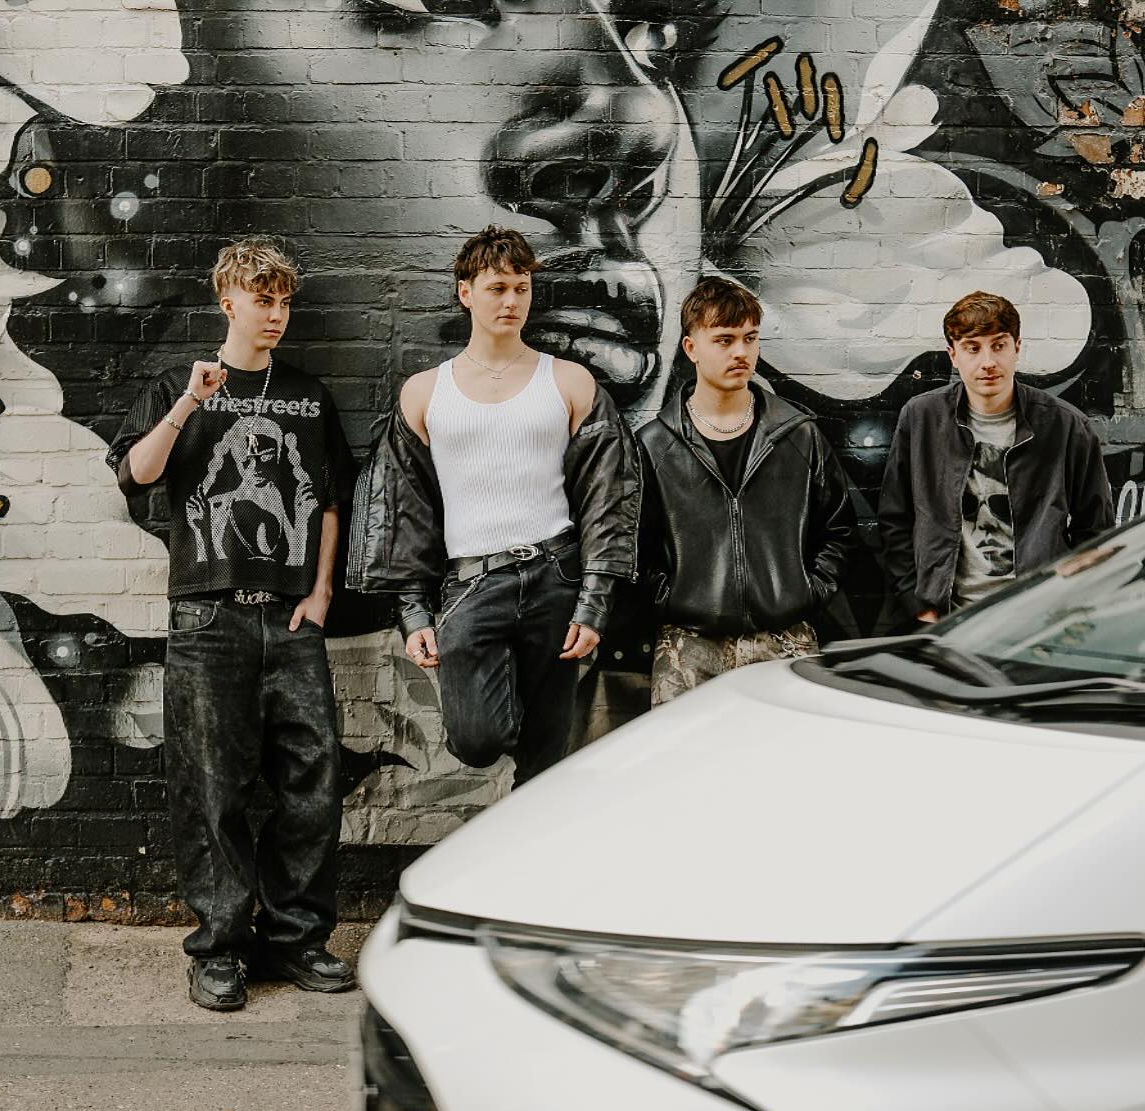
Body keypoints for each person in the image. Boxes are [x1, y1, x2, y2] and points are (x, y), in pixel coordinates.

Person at [105, 237, 357, 1012]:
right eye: (262, 299)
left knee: (313, 776)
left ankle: (296, 937)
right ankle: (219, 948)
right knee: (211, 785)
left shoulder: (308, 397)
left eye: (283, 301)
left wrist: (319, 595)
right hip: (206, 619)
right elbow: (135, 475)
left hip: (289, 621)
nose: (276, 314)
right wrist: (189, 400)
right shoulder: (176, 388)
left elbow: (329, 501)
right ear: (229, 302)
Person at [348, 225, 639, 786]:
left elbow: (609, 495)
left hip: (556, 574)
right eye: (497, 288)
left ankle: (531, 864)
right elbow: (404, 509)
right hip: (471, 583)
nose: (512, 301)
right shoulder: (425, 391)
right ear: (466, 293)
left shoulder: (571, 381)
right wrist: (413, 611)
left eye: (522, 288)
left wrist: (594, 601)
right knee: (475, 738)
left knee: (546, 757)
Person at [637, 277, 855, 704]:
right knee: (686, 766)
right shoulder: (655, 445)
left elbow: (840, 529)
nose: (741, 352)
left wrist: (806, 592)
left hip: (784, 640)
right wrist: (671, 600)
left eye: (749, 338)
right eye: (724, 339)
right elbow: (635, 547)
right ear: (691, 348)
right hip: (689, 646)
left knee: (785, 766)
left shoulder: (798, 435)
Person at [878, 291, 1114, 624]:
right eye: (973, 348)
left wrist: (1065, 603)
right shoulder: (921, 419)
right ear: (953, 355)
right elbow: (895, 518)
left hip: (1038, 619)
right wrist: (921, 606)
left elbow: (1096, 530)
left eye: (999, 345)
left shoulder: (1066, 426)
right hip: (948, 618)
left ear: (1017, 348)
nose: (988, 361)